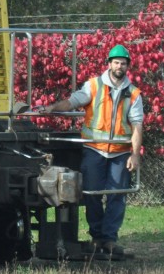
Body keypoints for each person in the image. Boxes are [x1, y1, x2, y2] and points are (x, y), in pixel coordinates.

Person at [40, 44, 144, 258]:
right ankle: (97, 237)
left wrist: (134, 154)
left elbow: (137, 126)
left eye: (123, 63)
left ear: (127, 66)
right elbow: (72, 102)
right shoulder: (94, 86)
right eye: (116, 62)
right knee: (92, 195)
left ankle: (110, 239)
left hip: (120, 153)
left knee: (117, 195)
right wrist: (52, 108)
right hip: (94, 150)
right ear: (109, 64)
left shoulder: (133, 94)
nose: (119, 66)